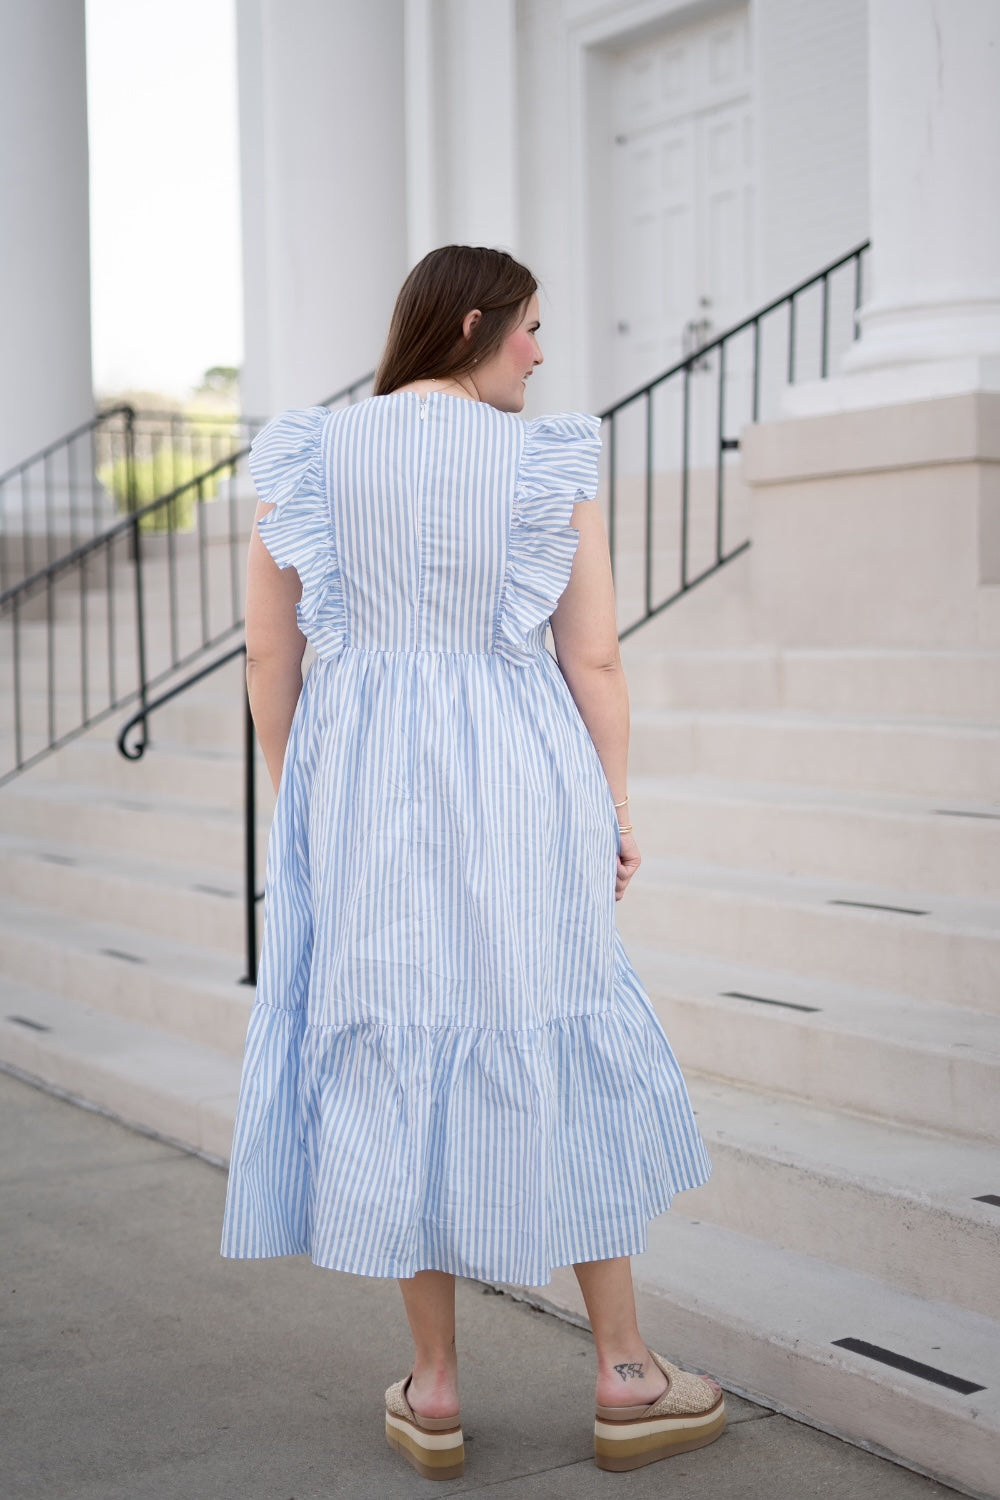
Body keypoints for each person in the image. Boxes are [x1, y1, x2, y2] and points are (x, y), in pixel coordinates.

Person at [220, 245, 724, 1478]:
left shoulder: (309, 456)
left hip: (360, 792)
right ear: (472, 322)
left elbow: (269, 663)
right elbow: (592, 660)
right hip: (522, 783)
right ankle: (623, 1372)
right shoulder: (544, 463)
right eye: (532, 330)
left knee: (396, 1039)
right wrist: (610, 804)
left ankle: (435, 1388)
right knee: (555, 1028)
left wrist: (304, 803)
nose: (542, 355)